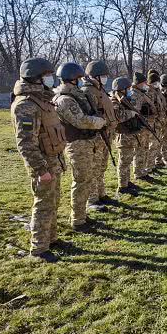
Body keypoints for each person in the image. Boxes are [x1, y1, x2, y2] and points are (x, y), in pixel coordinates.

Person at [11, 58, 66, 263]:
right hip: (43, 165)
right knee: (43, 205)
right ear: (36, 78)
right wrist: (41, 170)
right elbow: (25, 143)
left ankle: (51, 239)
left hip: (53, 161)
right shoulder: (26, 105)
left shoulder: (42, 100)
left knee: (53, 202)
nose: (50, 79)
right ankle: (39, 248)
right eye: (46, 76)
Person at [53, 63, 107, 231]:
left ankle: (81, 216)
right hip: (77, 145)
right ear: (73, 79)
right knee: (81, 181)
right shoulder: (65, 99)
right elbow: (81, 120)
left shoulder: (76, 95)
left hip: (85, 143)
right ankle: (77, 221)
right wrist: (100, 122)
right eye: (79, 78)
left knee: (86, 180)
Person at [82, 60, 117, 210]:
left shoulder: (100, 89)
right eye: (103, 75)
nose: (105, 78)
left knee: (102, 167)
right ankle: (92, 199)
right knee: (94, 168)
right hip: (96, 135)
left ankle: (101, 194)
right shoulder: (87, 91)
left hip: (105, 134)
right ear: (94, 76)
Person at [110, 77, 141, 195]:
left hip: (129, 134)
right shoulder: (114, 101)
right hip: (122, 136)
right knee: (123, 162)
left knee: (128, 160)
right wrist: (131, 113)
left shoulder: (124, 100)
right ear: (121, 89)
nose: (129, 90)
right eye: (127, 88)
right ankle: (122, 186)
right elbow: (118, 116)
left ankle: (127, 182)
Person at [130, 72, 157, 181]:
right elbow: (135, 112)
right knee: (139, 149)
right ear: (138, 83)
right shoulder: (134, 95)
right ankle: (138, 172)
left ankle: (142, 171)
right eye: (144, 82)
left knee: (144, 148)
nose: (146, 84)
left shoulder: (142, 93)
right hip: (140, 127)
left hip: (146, 125)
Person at [146, 69, 167, 171]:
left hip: (159, 121)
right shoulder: (148, 91)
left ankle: (157, 162)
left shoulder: (158, 91)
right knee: (152, 145)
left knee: (158, 143)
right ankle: (150, 166)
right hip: (152, 122)